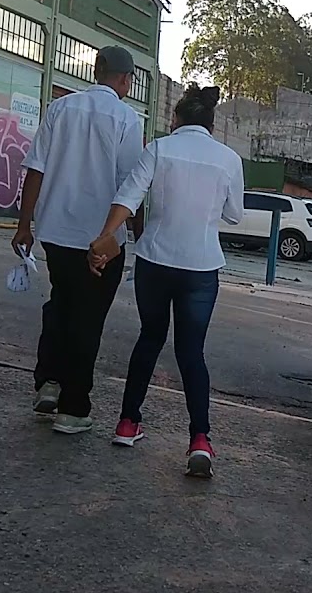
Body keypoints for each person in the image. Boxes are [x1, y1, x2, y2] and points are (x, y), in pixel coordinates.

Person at [87, 84, 244, 478]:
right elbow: (235, 215)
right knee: (192, 353)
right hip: (201, 266)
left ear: (176, 119)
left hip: (154, 261)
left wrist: (106, 236)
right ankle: (200, 440)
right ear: (211, 123)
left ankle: (127, 422)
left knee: (150, 337)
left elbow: (129, 196)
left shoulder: (159, 149)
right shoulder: (228, 159)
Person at [12, 45, 144, 435]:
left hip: (56, 233)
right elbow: (131, 185)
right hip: (101, 239)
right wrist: (137, 236)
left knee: (62, 303)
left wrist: (24, 226)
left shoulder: (61, 109)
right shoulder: (126, 118)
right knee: (88, 317)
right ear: (124, 79)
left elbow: (35, 169)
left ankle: (49, 382)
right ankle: (74, 406)